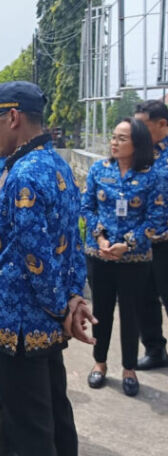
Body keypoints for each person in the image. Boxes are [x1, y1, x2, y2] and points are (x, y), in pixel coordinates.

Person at [0, 81, 96, 455]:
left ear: (13, 117)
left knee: (29, 429)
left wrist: (61, 308)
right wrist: (72, 299)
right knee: (53, 412)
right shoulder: (57, 164)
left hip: (20, 328)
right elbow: (71, 244)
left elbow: (35, 259)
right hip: (44, 326)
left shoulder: (23, 174)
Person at [81, 118, 163, 397]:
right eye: (113, 137)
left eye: (121, 138)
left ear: (137, 144)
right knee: (100, 312)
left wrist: (127, 244)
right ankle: (100, 363)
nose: (114, 143)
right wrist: (101, 238)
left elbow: (156, 217)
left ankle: (129, 368)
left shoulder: (152, 176)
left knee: (131, 313)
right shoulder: (98, 170)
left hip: (135, 259)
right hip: (100, 254)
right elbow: (88, 207)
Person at [134, 100, 168, 370]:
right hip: (143, 242)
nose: (137, 132)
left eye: (143, 127)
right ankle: (155, 350)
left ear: (162, 125)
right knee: (144, 299)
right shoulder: (139, 154)